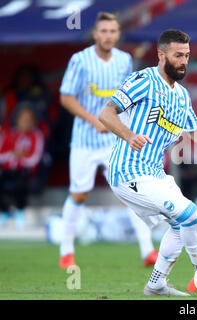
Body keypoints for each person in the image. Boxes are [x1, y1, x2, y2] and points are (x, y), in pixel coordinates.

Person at [98, 29, 197, 297]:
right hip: (127, 171)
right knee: (190, 214)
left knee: (181, 224)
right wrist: (130, 135)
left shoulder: (181, 95)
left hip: (155, 174)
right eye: (178, 55)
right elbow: (106, 113)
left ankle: (156, 284)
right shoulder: (143, 80)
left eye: (187, 56)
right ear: (161, 54)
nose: (183, 61)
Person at [58, 12, 158, 269]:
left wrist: (125, 126)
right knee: (79, 194)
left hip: (114, 140)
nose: (108, 36)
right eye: (103, 31)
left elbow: (125, 99)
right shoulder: (79, 60)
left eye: (113, 31)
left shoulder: (124, 61)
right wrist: (94, 120)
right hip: (85, 140)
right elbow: (66, 97)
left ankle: (148, 250)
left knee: (132, 192)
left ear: (117, 34)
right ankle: (66, 251)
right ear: (95, 34)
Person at [0, 107, 44, 229]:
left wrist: (20, 159)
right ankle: (4, 212)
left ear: (33, 121)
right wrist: (13, 155)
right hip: (7, 170)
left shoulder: (36, 135)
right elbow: (2, 154)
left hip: (25, 172)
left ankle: (20, 212)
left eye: (28, 120)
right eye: (22, 119)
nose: (25, 122)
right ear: (17, 120)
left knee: (21, 181)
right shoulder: (9, 134)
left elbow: (35, 158)